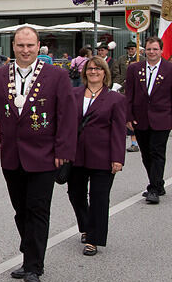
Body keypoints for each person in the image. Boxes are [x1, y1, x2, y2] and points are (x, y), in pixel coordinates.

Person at [0, 26, 76, 282]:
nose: (25, 50)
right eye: (20, 45)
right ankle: (30, 252)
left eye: (30, 45)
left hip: (44, 157)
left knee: (37, 210)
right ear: (13, 46)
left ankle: (33, 267)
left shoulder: (57, 76)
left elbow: (66, 116)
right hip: (12, 156)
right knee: (21, 211)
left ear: (38, 46)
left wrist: (63, 152)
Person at [68, 57, 126, 256]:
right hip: (76, 155)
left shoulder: (115, 99)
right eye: (90, 69)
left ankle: (94, 238)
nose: (93, 72)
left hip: (103, 156)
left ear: (105, 72)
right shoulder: (74, 94)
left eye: (98, 69)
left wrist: (118, 158)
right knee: (75, 194)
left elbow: (119, 130)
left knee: (99, 198)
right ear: (84, 73)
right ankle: (86, 226)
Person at [124, 36, 172, 204]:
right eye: (149, 49)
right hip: (140, 119)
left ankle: (153, 189)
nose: (152, 52)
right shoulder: (134, 69)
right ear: (144, 50)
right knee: (146, 154)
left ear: (161, 51)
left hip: (162, 118)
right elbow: (128, 94)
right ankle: (158, 183)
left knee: (157, 152)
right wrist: (128, 116)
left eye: (155, 49)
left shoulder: (169, 69)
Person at [113, 42, 140, 152]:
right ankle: (122, 138)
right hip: (123, 89)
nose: (130, 50)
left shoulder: (141, 58)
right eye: (128, 49)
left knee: (133, 115)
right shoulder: (121, 59)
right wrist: (119, 83)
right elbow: (116, 71)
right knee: (122, 114)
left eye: (132, 48)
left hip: (137, 90)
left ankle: (135, 142)